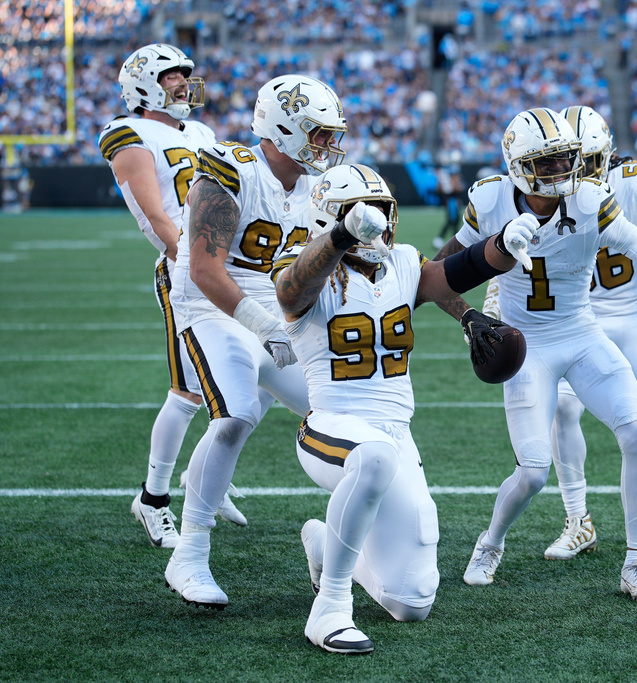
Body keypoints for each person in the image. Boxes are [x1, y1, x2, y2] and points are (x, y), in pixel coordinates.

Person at [434, 107, 637, 601]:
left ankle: (634, 563)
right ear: (518, 165)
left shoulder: (590, 198)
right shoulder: (490, 199)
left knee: (636, 433)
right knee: (532, 473)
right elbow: (434, 273)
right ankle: (490, 542)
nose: (561, 172)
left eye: (565, 159)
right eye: (545, 164)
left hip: (582, 332)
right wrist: (468, 314)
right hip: (530, 346)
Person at [273, 163, 537, 654]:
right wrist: (338, 237)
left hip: (395, 433)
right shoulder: (302, 263)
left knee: (411, 600)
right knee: (372, 458)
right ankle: (330, 607)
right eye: (362, 214)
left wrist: (502, 244)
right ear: (329, 219)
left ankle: (324, 544)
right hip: (330, 426)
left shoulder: (401, 264)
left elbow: (450, 274)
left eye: (382, 212)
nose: (379, 223)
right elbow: (291, 293)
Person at [164, 74, 348, 609]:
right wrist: (263, 326)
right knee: (237, 414)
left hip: (274, 305)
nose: (325, 145)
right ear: (283, 126)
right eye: (316, 134)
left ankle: (345, 541)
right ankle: (189, 553)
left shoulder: (314, 185)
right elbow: (201, 267)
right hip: (209, 304)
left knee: (338, 409)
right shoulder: (232, 169)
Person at [97, 43, 246, 550]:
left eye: (186, 74)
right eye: (171, 76)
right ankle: (153, 499)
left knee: (251, 380)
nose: (184, 83)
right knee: (187, 393)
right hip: (187, 271)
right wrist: (200, 265)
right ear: (144, 85)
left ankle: (207, 480)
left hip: (224, 266)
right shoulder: (128, 132)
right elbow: (157, 218)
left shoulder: (201, 132)